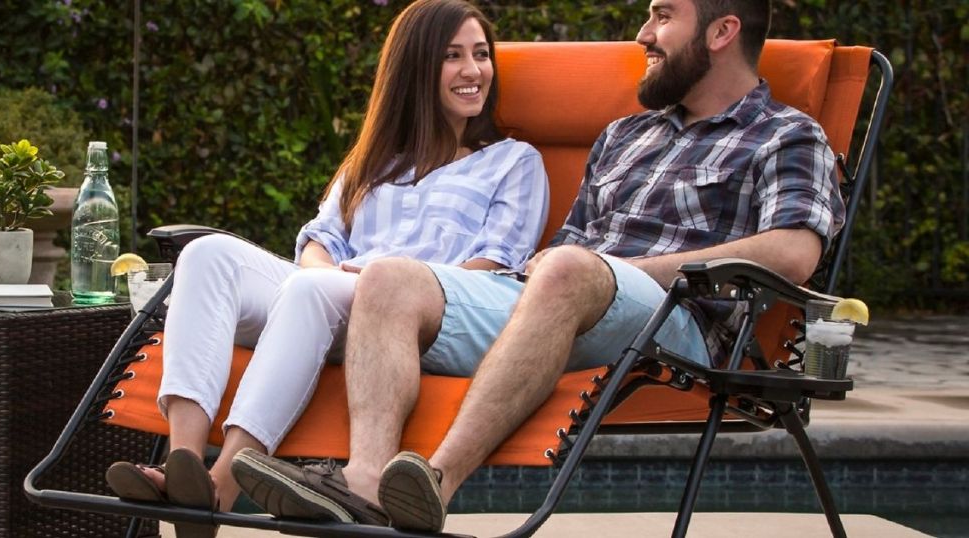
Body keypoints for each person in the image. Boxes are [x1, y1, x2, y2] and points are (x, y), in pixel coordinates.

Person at [231, 0, 846, 532]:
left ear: (721, 32)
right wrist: (552, 268)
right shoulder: (626, 136)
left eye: (662, 16)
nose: (643, 34)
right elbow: (569, 244)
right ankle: (364, 483)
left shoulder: (785, 135)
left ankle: (434, 485)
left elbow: (794, 251)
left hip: (678, 324)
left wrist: (633, 270)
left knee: (569, 270)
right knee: (391, 277)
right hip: (561, 305)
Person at [104, 0, 549, 535]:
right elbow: (319, 239)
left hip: (404, 312)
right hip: (323, 293)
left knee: (310, 291)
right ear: (416, 69)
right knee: (207, 254)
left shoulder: (513, 161)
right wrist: (329, 274)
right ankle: (183, 463)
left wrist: (366, 283)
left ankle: (222, 483)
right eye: (453, 56)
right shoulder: (375, 159)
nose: (473, 71)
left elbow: (493, 264)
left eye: (481, 54)